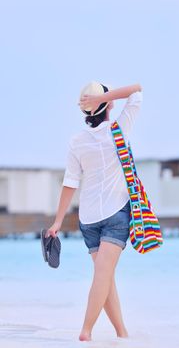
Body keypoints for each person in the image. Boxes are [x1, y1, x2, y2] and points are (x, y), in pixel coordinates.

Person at [45, 81, 143, 341]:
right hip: (115, 215)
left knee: (104, 276)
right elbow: (137, 91)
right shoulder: (118, 129)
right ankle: (86, 331)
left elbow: (70, 183)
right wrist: (107, 97)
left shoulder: (76, 141)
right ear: (109, 104)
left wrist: (57, 221)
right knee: (104, 275)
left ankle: (122, 333)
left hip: (88, 218)